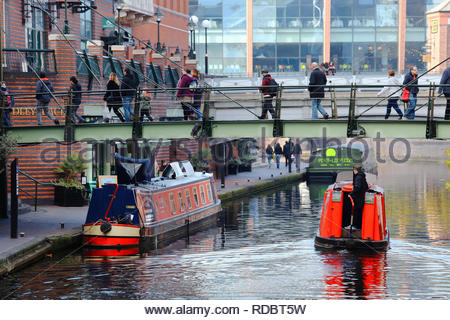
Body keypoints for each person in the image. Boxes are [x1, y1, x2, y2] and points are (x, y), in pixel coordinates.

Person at [347, 165, 369, 230]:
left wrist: (351, 194)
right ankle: (359, 226)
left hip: (357, 198)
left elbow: (357, 187)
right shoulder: (362, 176)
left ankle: (354, 226)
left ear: (355, 170)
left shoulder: (358, 177)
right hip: (361, 198)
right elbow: (366, 187)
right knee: (359, 213)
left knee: (355, 212)